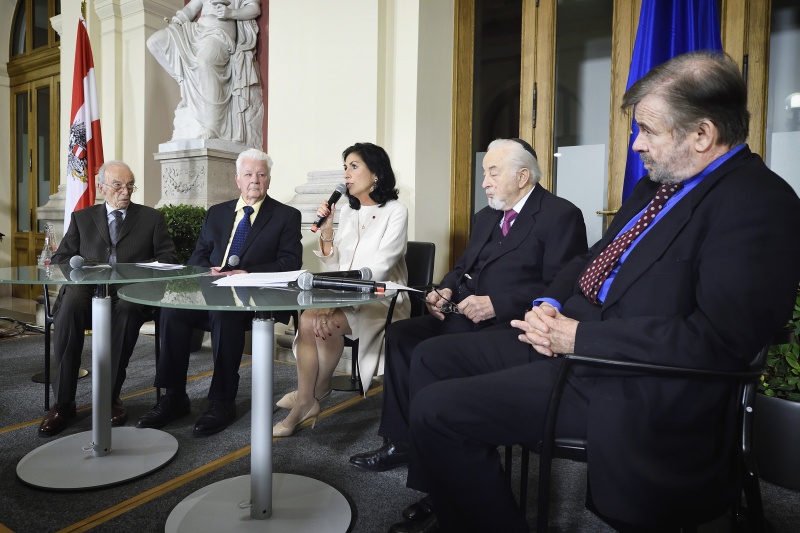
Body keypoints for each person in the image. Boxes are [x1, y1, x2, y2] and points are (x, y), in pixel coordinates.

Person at [392, 51, 800, 533]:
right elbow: (589, 259)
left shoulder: (759, 203)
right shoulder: (656, 189)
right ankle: (455, 493)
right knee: (432, 357)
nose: (636, 144)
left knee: (438, 412)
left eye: (647, 130)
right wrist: (547, 304)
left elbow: (719, 341)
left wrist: (579, 338)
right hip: (572, 338)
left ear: (702, 134)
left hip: (627, 375)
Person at [349, 138, 587, 475]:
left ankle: (438, 457)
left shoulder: (560, 215)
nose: (485, 182)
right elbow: (464, 266)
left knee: (430, 352)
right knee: (401, 335)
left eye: (493, 173)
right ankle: (401, 441)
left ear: (522, 176)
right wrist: (445, 288)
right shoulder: (486, 216)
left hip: (509, 323)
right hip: (465, 313)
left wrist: (496, 304)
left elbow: (560, 287)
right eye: (484, 173)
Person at [136, 148, 302, 437]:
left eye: (261, 175)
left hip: (253, 297)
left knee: (224, 314)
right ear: (237, 179)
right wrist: (207, 271)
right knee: (172, 309)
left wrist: (247, 273)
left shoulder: (286, 216)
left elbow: (290, 262)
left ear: (269, 179)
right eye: (248, 174)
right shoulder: (217, 213)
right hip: (212, 290)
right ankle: (173, 397)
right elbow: (199, 256)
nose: (254, 180)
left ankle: (222, 402)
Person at [273, 142, 410, 437]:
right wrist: (327, 230)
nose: (346, 174)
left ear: (376, 173)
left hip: (382, 298)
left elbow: (380, 270)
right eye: (345, 167)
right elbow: (334, 266)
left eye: (354, 166)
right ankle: (311, 394)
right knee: (308, 318)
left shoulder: (396, 212)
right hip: (346, 294)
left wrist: (334, 303)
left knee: (325, 322)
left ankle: (308, 398)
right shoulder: (347, 211)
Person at [39, 161, 178, 437]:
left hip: (130, 291)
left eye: (130, 186)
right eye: (118, 186)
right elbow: (61, 259)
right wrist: (82, 265)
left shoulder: (151, 218)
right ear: (101, 187)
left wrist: (142, 270)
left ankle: (109, 397)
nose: (125, 192)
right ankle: (63, 403)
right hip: (88, 287)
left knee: (127, 308)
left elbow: (169, 258)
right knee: (71, 304)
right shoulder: (82, 218)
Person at [147, 0, 263, 147]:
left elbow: (254, 8)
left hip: (219, 33)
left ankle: (212, 124)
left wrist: (231, 13)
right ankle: (186, 83)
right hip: (195, 31)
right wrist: (177, 21)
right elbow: (191, 8)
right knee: (155, 42)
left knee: (204, 61)